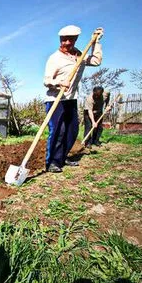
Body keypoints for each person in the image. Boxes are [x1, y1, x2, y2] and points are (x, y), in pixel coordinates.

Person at [43, 25, 104, 173]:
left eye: (70, 40)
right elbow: (46, 80)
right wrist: (58, 83)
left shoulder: (79, 56)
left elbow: (96, 61)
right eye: (63, 40)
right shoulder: (55, 58)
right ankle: (52, 162)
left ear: (75, 40)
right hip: (55, 99)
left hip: (71, 99)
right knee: (58, 131)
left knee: (72, 130)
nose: (66, 43)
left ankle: (62, 157)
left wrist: (95, 42)